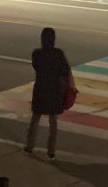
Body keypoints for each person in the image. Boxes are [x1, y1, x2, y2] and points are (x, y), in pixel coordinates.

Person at [24, 26, 70, 159]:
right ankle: (51, 150)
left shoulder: (36, 54)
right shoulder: (58, 54)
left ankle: (29, 145)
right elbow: (65, 70)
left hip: (40, 88)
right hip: (54, 90)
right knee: (53, 121)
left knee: (35, 118)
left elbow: (36, 67)